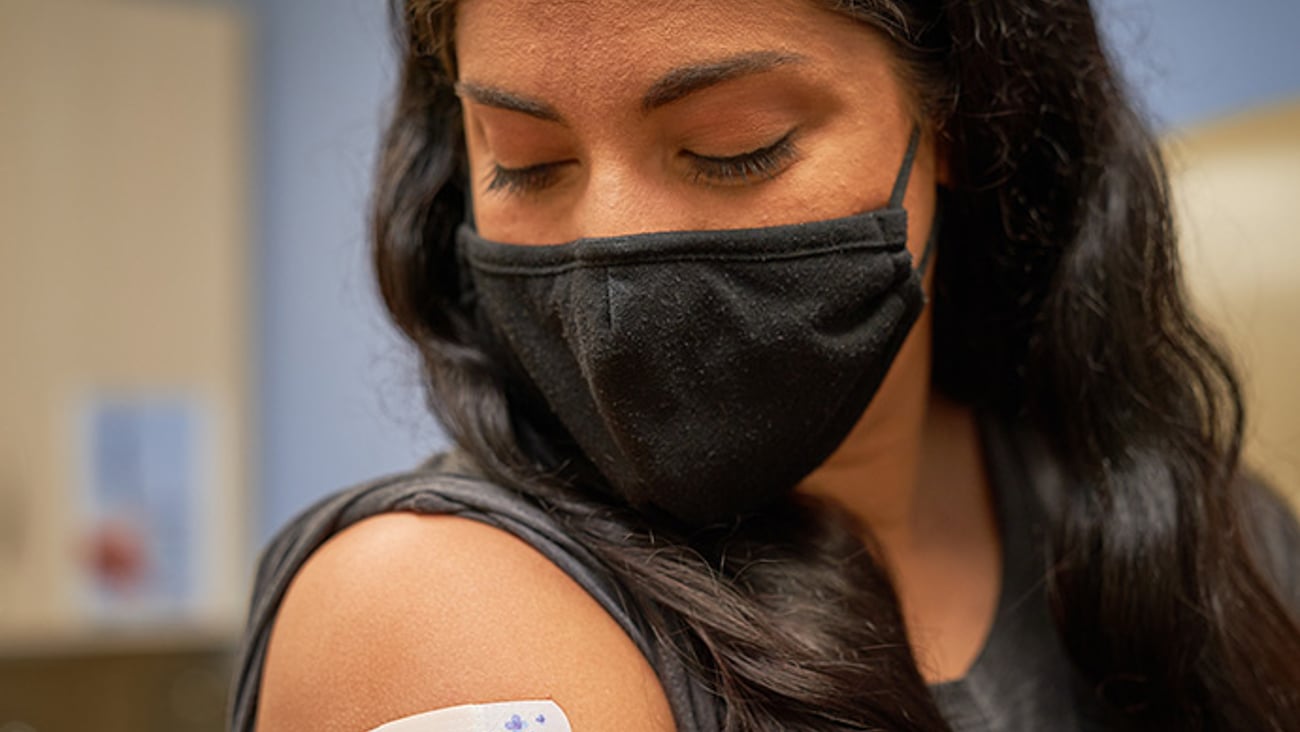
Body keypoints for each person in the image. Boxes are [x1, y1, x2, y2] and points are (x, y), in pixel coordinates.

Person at [230, 1, 1300, 730]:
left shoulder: (1215, 546)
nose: (607, 252)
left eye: (733, 145)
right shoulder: (427, 608)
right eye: (527, 162)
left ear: (956, 124)